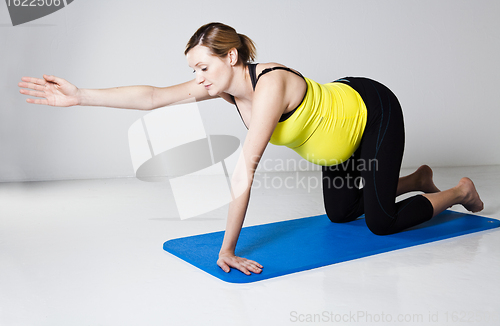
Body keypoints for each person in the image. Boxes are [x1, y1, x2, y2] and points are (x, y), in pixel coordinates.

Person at [18, 22, 484, 276]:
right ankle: (417, 179)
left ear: (231, 57)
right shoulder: (223, 87)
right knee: (342, 215)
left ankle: (457, 191)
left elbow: (246, 168)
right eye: (193, 69)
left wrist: (229, 248)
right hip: (335, 138)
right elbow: (156, 96)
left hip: (370, 113)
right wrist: (81, 96)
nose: (197, 78)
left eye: (203, 67)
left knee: (381, 222)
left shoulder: (271, 86)